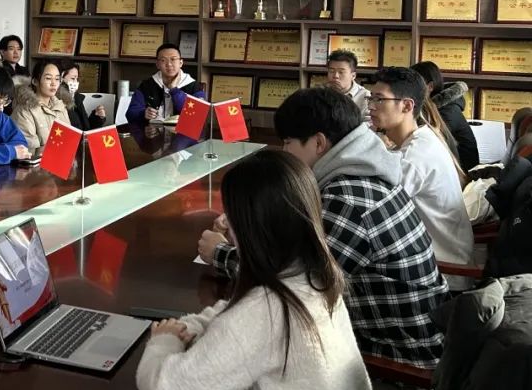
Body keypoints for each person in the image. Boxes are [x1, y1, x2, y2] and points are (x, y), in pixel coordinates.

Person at [198, 86, 448, 370]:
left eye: (288, 142)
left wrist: (220, 254)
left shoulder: (349, 200)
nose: (284, 152)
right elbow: (304, 243)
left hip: (394, 362)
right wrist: (246, 232)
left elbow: (297, 287)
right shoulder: (361, 174)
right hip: (394, 339)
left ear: (318, 143)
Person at [138, 148, 372, 390]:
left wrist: (164, 341)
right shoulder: (316, 278)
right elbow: (237, 316)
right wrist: (190, 326)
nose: (225, 224)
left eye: (232, 216)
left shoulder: (266, 312)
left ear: (250, 229)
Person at [369, 67, 474, 281]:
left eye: (379, 99)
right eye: (370, 98)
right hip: (440, 257)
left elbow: (377, 210)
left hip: (443, 271)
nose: (371, 106)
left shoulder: (415, 156)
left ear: (407, 106)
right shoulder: (423, 137)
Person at [411, 60, 479, 173]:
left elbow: (428, 145)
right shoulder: (433, 107)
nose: (409, 89)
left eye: (414, 85)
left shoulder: (447, 111)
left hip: (462, 173)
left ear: (430, 86)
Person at [125, 43, 205, 123]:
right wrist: (143, 113)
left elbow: (199, 115)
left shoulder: (194, 86)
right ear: (157, 64)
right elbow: (130, 113)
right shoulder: (147, 85)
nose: (169, 64)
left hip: (183, 130)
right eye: (163, 60)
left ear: (181, 63)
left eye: (173, 59)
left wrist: (174, 90)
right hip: (153, 129)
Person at [11, 60, 71, 152]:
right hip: (38, 161)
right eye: (48, 78)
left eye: (57, 79)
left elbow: (69, 141)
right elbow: (27, 151)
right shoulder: (24, 111)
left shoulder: (61, 106)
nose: (53, 83)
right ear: (35, 81)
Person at [58, 60, 106, 131]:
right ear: (61, 78)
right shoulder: (57, 101)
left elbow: (86, 128)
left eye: (77, 79)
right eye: (73, 78)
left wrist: (97, 117)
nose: (76, 82)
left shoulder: (77, 98)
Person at [325, 49, 370, 122]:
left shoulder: (365, 96)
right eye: (331, 71)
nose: (335, 76)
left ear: (353, 75)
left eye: (341, 72)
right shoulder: (320, 94)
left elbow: (368, 124)